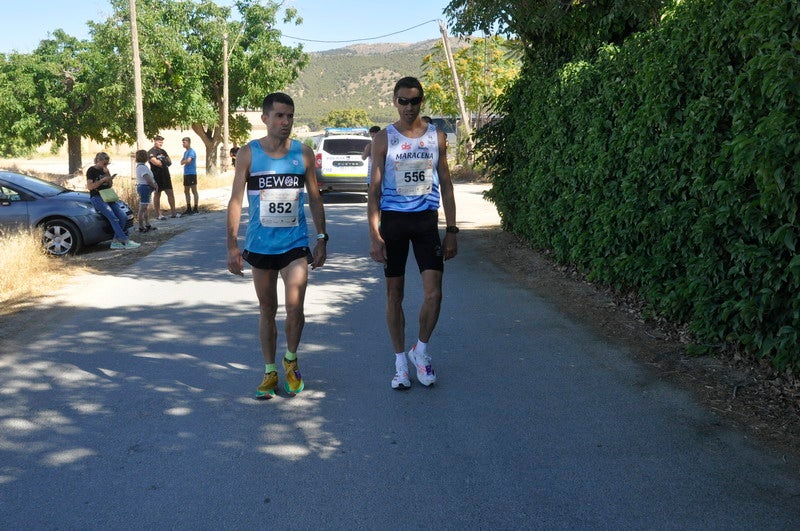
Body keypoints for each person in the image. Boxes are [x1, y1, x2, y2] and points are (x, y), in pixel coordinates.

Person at [226, 92, 328, 399]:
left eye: (290, 116)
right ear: (265, 119)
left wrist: (321, 237)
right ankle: (269, 370)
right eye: (279, 116)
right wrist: (232, 244)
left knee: (295, 305)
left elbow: (314, 198)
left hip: (295, 243)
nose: (285, 122)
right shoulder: (249, 153)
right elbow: (235, 199)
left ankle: (291, 361)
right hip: (259, 244)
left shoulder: (304, 153)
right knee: (267, 308)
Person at [368, 76, 458, 390]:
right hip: (393, 222)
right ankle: (399, 364)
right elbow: (374, 190)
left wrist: (452, 229)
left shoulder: (437, 136)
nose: (409, 107)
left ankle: (420, 350)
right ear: (395, 101)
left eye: (414, 101)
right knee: (395, 296)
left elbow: (446, 183)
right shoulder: (384, 138)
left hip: (425, 222)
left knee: (435, 293)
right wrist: (374, 234)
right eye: (403, 101)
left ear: (422, 102)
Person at [85, 152, 141, 250]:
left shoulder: (105, 170)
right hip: (97, 197)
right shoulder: (91, 170)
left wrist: (109, 179)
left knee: (123, 217)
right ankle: (125, 240)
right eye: (104, 163)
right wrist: (102, 180)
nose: (106, 165)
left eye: (107, 164)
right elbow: (90, 187)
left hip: (108, 196)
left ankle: (115, 241)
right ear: (98, 160)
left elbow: (110, 185)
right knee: (113, 218)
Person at [148, 135, 181, 220]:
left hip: (166, 175)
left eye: (162, 142)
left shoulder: (163, 151)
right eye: (159, 142)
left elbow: (169, 162)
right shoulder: (151, 152)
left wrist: (162, 161)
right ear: (154, 141)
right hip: (156, 176)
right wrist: (163, 161)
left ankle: (174, 213)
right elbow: (156, 163)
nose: (161, 143)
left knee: (170, 193)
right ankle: (159, 215)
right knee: (157, 195)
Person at [134, 149, 158, 232]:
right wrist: (155, 186)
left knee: (146, 208)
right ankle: (141, 226)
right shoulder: (141, 167)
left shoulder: (142, 166)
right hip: (145, 188)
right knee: (143, 208)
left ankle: (147, 224)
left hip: (146, 188)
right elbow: (148, 179)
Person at [180, 137, 199, 215]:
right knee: (186, 191)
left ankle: (196, 207)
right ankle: (188, 207)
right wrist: (184, 161)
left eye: (184, 142)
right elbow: (181, 162)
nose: (183, 144)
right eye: (183, 142)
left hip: (191, 173)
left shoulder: (191, 152)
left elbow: (188, 161)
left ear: (188, 142)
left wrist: (184, 161)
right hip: (186, 173)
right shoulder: (185, 152)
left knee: (194, 190)